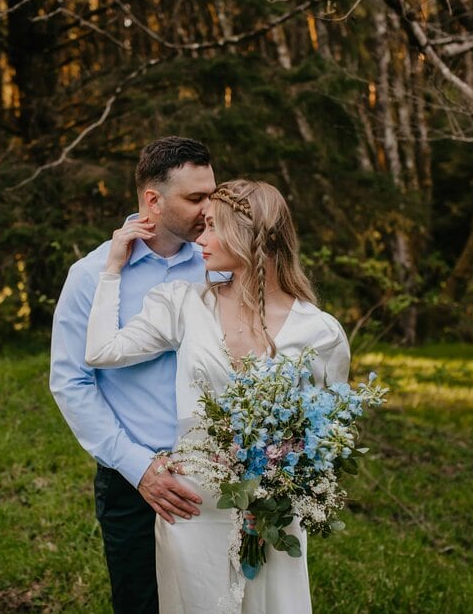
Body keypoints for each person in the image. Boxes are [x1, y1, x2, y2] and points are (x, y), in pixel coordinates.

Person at [85, 179, 351, 613]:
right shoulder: (186, 304)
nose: (201, 239)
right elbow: (101, 352)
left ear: (249, 237)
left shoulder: (319, 332)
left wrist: (284, 472)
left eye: (212, 227)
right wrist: (112, 268)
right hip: (190, 510)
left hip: (271, 516)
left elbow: (331, 427)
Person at [49, 136, 217, 613]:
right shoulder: (90, 275)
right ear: (152, 200)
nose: (209, 209)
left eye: (212, 194)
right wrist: (139, 468)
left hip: (215, 472)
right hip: (133, 482)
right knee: (141, 603)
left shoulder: (219, 265)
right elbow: (71, 382)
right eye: (195, 198)